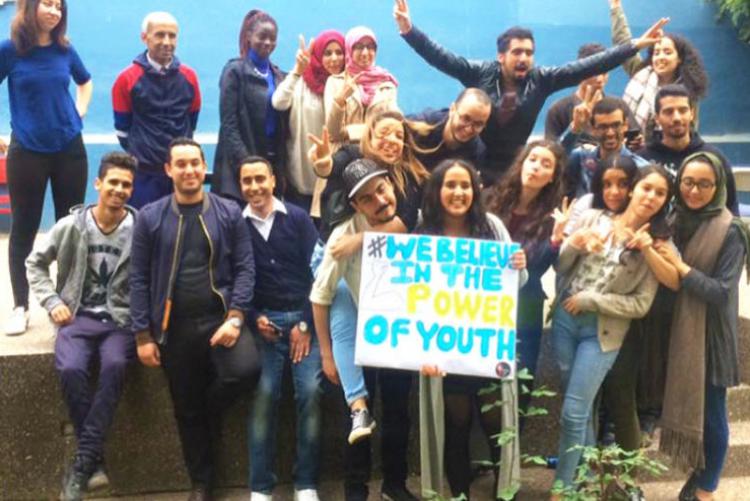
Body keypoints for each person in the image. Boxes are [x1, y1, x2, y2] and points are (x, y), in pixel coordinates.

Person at [393, 0, 667, 184]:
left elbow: (587, 66)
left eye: (529, 53)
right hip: (472, 159)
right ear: (501, 56)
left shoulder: (542, 79)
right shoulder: (479, 72)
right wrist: (409, 31)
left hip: (512, 168)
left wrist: (633, 46)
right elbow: (442, 58)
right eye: (517, 52)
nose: (524, 58)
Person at [130, 137, 260, 501]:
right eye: (181, 164)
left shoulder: (228, 211)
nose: (189, 170)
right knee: (184, 411)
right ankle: (201, 484)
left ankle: (207, 410)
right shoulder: (150, 217)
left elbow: (245, 267)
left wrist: (236, 317)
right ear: (168, 170)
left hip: (220, 321)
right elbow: (137, 277)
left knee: (244, 371)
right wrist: (142, 334)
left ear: (205, 168)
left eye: (195, 163)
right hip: (174, 330)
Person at [550, 165, 672, 495]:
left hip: (602, 334)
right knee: (583, 408)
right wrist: (574, 243)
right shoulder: (594, 218)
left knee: (573, 413)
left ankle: (560, 490)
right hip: (563, 321)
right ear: (633, 189)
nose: (651, 197)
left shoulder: (653, 245)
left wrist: (593, 300)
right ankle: (587, 480)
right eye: (646, 188)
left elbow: (640, 304)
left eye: (660, 193)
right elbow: (561, 267)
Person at [26, 152, 137, 501]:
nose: (119, 190)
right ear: (98, 184)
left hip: (119, 320)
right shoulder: (70, 226)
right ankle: (94, 460)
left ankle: (82, 464)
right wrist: (53, 302)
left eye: (127, 185)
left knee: (116, 364)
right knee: (71, 367)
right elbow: (36, 264)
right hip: (77, 316)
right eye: (113, 182)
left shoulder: (140, 230)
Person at [417, 159, 527, 500]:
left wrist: (518, 266)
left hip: (487, 346)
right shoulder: (423, 231)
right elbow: (411, 297)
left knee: (497, 428)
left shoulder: (491, 226)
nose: (458, 192)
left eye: (465, 185)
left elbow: (516, 284)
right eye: (450, 185)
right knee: (456, 427)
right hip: (445, 351)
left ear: (475, 190)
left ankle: (503, 494)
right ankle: (460, 495)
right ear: (437, 191)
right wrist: (417, 351)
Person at [310, 159, 418, 501]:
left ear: (391, 183)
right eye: (368, 198)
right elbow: (320, 297)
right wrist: (327, 355)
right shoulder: (342, 238)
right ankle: (355, 490)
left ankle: (395, 485)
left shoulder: (412, 219)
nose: (381, 200)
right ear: (355, 205)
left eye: (382, 190)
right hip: (359, 332)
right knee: (359, 414)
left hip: (401, 332)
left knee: (399, 410)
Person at [655, 153, 749, 501]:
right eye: (688, 182)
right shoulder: (672, 217)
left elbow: (721, 292)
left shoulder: (732, 230)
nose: (694, 190)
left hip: (711, 335)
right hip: (675, 330)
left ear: (719, 186)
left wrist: (681, 269)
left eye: (704, 184)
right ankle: (698, 477)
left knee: (712, 413)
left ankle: (707, 489)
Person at [2, 0, 93, 336]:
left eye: (59, 7)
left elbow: (85, 82)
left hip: (69, 148)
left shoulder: (65, 50)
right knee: (23, 228)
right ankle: (20, 306)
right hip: (26, 150)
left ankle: (64, 303)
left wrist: (80, 112)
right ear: (29, 8)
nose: (54, 11)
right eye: (48, 4)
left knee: (70, 227)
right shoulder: (10, 50)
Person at [239, 157, 322, 501]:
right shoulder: (236, 225)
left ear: (274, 180)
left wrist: (305, 322)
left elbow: (320, 273)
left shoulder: (299, 220)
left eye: (261, 178)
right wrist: (253, 317)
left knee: (312, 394)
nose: (255, 186)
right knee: (264, 396)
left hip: (306, 323)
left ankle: (306, 483)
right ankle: (260, 486)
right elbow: (235, 281)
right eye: (247, 181)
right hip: (265, 328)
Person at [486, 140, 568, 419]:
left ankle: (513, 452)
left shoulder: (553, 217)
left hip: (528, 302)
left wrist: (556, 239)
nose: (536, 167)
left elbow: (541, 268)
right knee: (484, 377)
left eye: (546, 164)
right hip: (485, 301)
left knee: (524, 374)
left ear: (552, 177)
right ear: (522, 162)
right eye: (533, 159)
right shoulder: (489, 199)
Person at [112, 11, 201, 209]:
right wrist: (145, 153)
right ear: (145, 37)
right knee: (145, 230)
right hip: (145, 175)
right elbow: (122, 130)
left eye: (172, 35)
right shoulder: (126, 79)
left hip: (180, 174)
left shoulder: (190, 77)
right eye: (160, 35)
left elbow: (191, 121)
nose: (167, 42)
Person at [213, 9, 288, 203]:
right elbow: (229, 125)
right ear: (248, 36)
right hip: (239, 169)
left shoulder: (280, 76)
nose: (268, 43)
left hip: (271, 166)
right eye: (262, 37)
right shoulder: (234, 71)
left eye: (272, 38)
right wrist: (248, 166)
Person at [610, 0, 708, 141]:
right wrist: (616, 7)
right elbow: (623, 45)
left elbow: (688, 133)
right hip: (632, 152)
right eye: (656, 53)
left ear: (679, 58)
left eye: (667, 52)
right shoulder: (640, 73)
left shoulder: (688, 91)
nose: (660, 57)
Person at [272, 30, 345, 215]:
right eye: (328, 53)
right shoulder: (302, 81)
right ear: (318, 55)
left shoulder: (348, 85)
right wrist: (297, 71)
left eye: (339, 52)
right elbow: (278, 102)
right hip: (300, 180)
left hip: (334, 181)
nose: (334, 58)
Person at [638, 84, 738, 214]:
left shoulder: (713, 157)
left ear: (692, 113)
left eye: (683, 110)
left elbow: (731, 207)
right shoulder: (641, 159)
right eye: (668, 112)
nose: (677, 118)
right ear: (657, 118)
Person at [544, 42, 640, 150]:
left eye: (604, 73)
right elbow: (550, 151)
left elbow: (635, 140)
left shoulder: (619, 105)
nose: (599, 79)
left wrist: (637, 144)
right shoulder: (558, 110)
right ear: (580, 71)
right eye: (594, 73)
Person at [324, 26, 399, 146]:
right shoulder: (336, 82)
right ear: (349, 49)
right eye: (358, 47)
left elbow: (392, 126)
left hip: (376, 157)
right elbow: (333, 133)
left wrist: (349, 132)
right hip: (344, 158)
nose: (365, 53)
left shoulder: (387, 85)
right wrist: (340, 101)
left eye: (370, 47)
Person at [564, 97, 647, 199]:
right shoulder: (581, 158)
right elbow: (554, 158)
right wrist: (575, 129)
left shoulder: (641, 168)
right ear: (592, 129)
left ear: (625, 125)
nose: (610, 133)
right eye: (603, 127)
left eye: (616, 125)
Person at [407, 87, 491, 171]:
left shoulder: (476, 152)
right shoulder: (423, 124)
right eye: (466, 119)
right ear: (452, 109)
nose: (469, 129)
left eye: (478, 124)